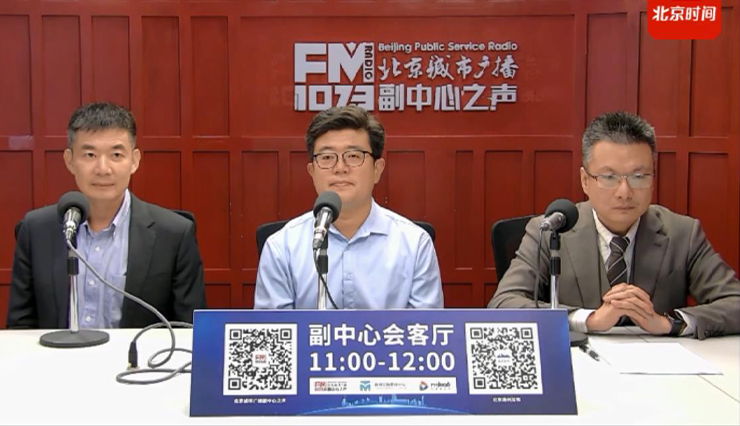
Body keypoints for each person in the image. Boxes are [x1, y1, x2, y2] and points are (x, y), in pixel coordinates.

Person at [489, 111, 740, 339]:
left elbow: (734, 302)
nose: (624, 192)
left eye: (638, 176)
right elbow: (503, 303)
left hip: (659, 368)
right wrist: (588, 319)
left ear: (653, 178)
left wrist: (669, 323)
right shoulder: (550, 231)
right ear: (585, 180)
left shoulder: (683, 233)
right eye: (609, 177)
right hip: (578, 364)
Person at [7, 102, 206, 328]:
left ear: (135, 161)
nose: (103, 169)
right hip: (56, 351)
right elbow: (20, 328)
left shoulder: (174, 235)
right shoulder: (36, 230)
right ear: (69, 161)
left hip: (138, 352)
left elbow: (188, 331)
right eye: (90, 155)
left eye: (116, 155)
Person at [254, 105, 444, 309]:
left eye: (353, 156)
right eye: (327, 157)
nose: (340, 168)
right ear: (312, 172)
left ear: (377, 169)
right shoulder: (282, 247)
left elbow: (426, 327)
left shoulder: (415, 244)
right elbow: (275, 327)